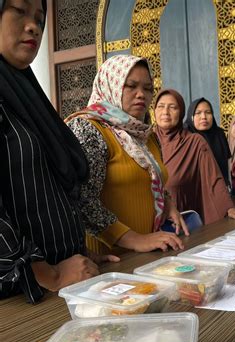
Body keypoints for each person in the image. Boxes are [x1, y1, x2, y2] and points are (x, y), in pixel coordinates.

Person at [0, 0, 117, 304]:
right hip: (24, 295)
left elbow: (45, 188)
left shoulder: (26, 94)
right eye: (19, 10)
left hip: (65, 279)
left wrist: (74, 254)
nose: (33, 26)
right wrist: (48, 274)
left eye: (40, 18)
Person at [66, 55, 187, 254]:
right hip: (106, 260)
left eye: (148, 88)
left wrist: (168, 203)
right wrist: (136, 240)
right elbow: (82, 199)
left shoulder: (145, 135)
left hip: (147, 254)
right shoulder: (88, 128)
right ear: (110, 85)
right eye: (131, 86)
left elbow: (153, 179)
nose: (141, 95)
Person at [154, 89, 235, 224]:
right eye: (161, 106)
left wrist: (228, 207)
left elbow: (213, 177)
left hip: (182, 215)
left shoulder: (194, 142)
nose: (165, 112)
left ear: (181, 112)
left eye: (173, 107)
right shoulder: (146, 140)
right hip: (148, 218)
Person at [185, 97, 232, 189]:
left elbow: (227, 164)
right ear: (191, 116)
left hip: (220, 190)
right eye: (198, 113)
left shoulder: (219, 134)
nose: (204, 117)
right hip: (193, 191)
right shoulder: (185, 136)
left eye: (208, 112)